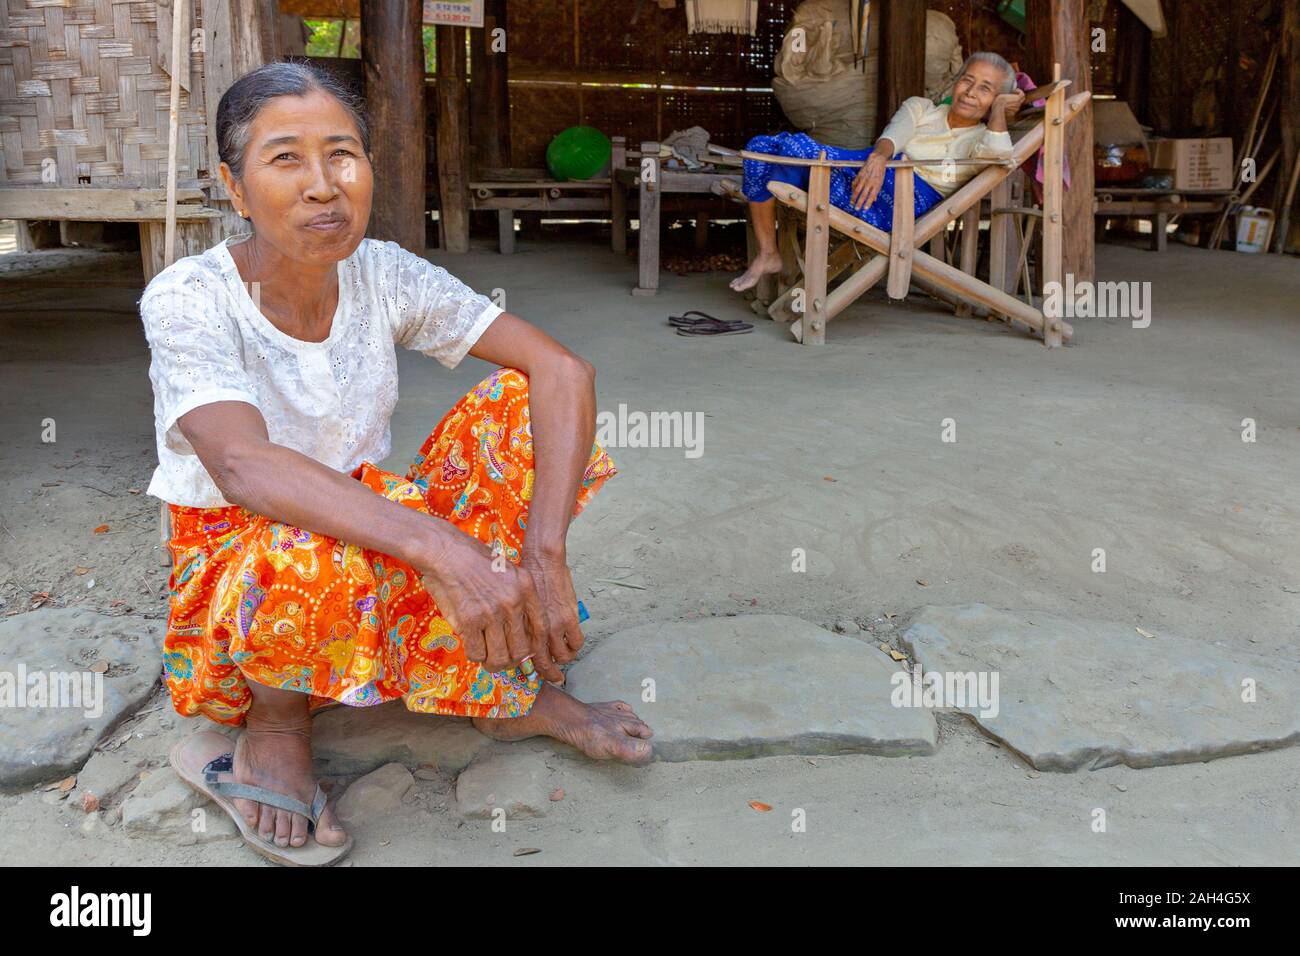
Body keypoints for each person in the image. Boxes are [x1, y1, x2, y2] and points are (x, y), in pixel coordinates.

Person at [142, 62, 652, 864]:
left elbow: (563, 373)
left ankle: (498, 690)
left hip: (369, 526)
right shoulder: (188, 297)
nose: (323, 185)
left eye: (342, 154)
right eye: (285, 159)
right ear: (234, 189)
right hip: (244, 569)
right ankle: (276, 723)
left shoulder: (384, 274)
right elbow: (242, 466)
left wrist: (541, 553)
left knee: (516, 413)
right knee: (313, 542)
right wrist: (442, 546)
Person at [731, 51, 1026, 292]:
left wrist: (1000, 112)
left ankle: (771, 255)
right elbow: (896, 132)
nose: (971, 93)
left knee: (793, 150)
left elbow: (1000, 156)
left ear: (998, 99)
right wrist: (879, 158)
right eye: (967, 81)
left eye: (986, 89)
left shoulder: (982, 140)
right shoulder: (922, 107)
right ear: (956, 82)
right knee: (759, 148)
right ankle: (768, 253)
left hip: (891, 205)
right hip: (868, 174)